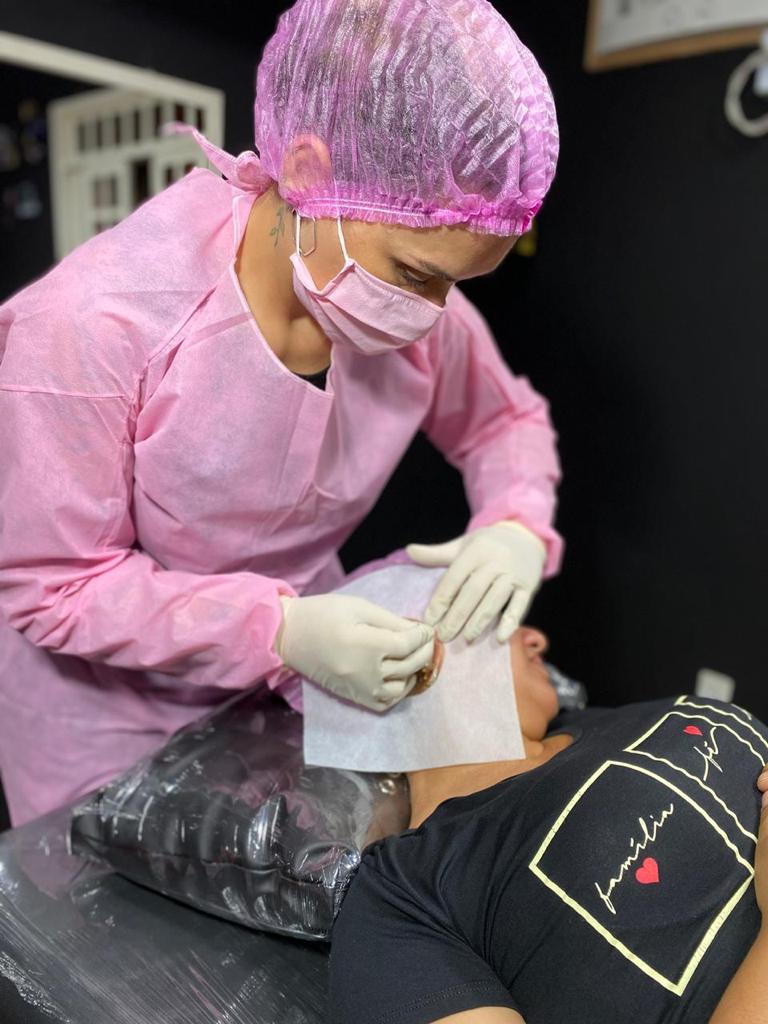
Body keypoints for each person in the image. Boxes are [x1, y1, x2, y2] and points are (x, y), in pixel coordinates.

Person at [0, 0, 562, 826]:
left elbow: (503, 423)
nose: (435, 314)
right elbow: (56, 585)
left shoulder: (412, 308)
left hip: (303, 681)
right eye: (416, 274)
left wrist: (516, 522)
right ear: (305, 170)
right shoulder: (92, 325)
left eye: (458, 284)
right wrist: (279, 629)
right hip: (101, 717)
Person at [329, 628, 768, 1023]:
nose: (535, 637)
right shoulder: (401, 901)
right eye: (490, 620)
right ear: (398, 670)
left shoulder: (600, 721)